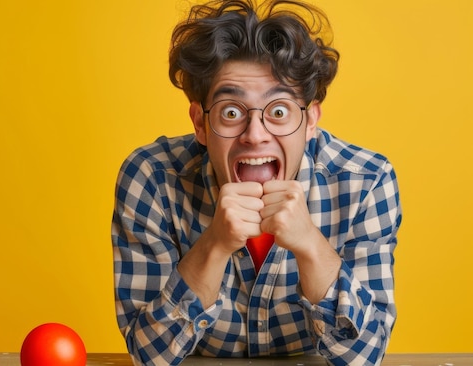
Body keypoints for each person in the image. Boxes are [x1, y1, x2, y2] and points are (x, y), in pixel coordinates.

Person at [111, 0, 402, 365]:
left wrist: (311, 244)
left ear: (311, 120)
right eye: (231, 112)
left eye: (278, 111)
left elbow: (365, 355)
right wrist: (214, 244)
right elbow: (149, 355)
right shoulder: (152, 179)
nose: (255, 135)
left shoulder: (366, 182)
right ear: (200, 123)